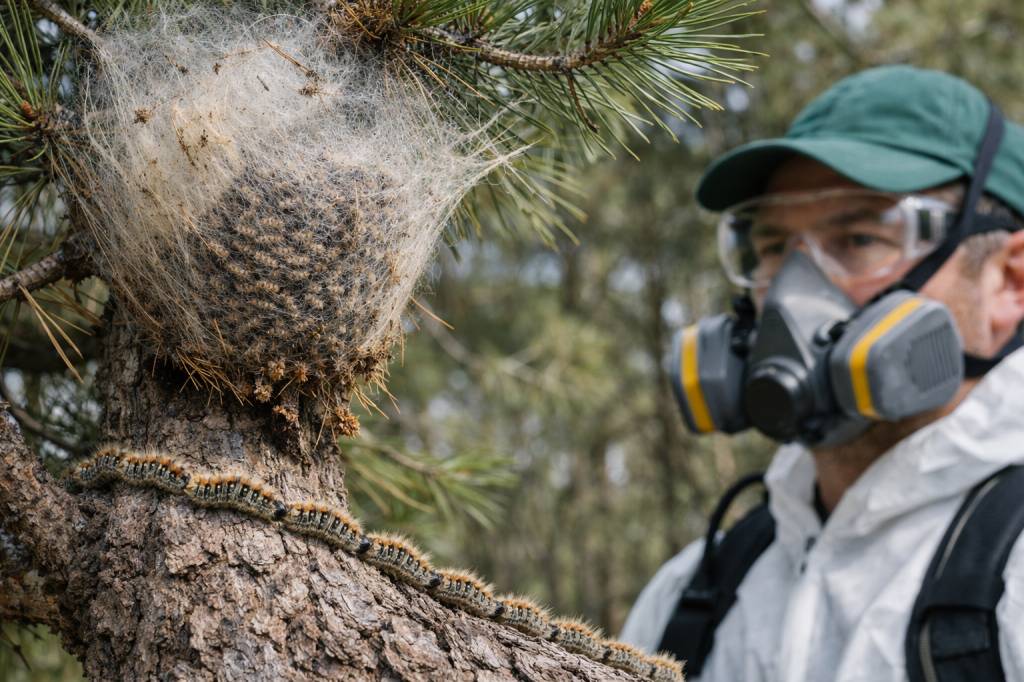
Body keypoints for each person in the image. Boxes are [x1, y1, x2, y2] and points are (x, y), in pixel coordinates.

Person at [619, 65, 1024, 682]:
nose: (790, 292)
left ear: (1009, 282)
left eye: (860, 238)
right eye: (775, 246)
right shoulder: (690, 597)